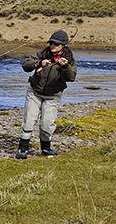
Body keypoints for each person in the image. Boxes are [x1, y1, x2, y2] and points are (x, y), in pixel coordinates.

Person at [15, 29, 77, 159]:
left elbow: (71, 78)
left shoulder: (69, 59)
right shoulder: (42, 53)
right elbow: (25, 65)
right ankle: (23, 149)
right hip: (34, 91)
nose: (52, 45)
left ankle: (46, 148)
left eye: (56, 43)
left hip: (53, 95)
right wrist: (39, 63)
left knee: (47, 123)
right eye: (51, 43)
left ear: (63, 46)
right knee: (29, 121)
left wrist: (65, 67)